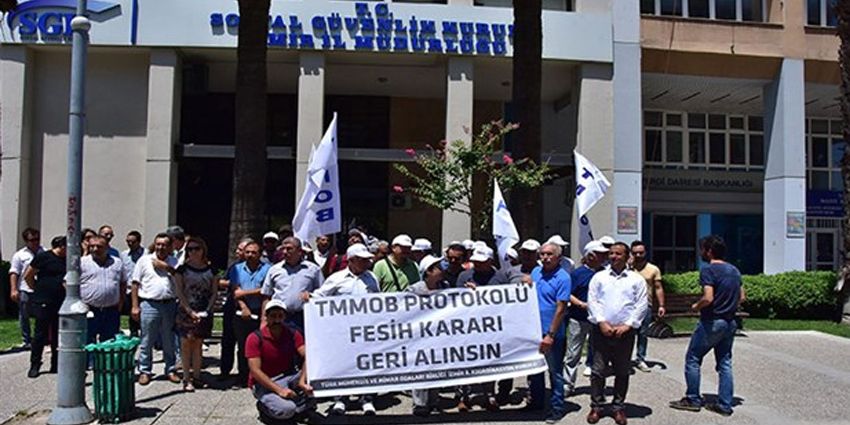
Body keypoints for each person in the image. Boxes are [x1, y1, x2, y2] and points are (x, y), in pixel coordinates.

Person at [669, 235, 745, 417]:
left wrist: (696, 305)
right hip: (730, 322)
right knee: (725, 362)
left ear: (709, 251)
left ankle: (693, 399)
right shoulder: (734, 270)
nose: (700, 252)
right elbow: (742, 297)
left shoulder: (708, 270)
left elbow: (708, 297)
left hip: (712, 321)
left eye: (702, 249)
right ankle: (725, 404)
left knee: (693, 358)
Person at [304, 243, 379, 415]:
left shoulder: (372, 278)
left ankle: (367, 399)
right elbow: (320, 296)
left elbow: (378, 300)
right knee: (343, 365)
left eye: (367, 260)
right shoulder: (336, 279)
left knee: (366, 365)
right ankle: (340, 399)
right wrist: (310, 298)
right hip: (342, 333)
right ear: (351, 260)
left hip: (366, 331)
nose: (367, 263)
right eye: (362, 260)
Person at [586, 242, 647, 425]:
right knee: (598, 371)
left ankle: (618, 407)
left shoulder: (636, 280)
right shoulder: (599, 277)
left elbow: (641, 304)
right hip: (601, 330)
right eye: (611, 253)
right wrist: (601, 322)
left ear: (627, 256)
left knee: (622, 371)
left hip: (625, 332)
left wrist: (628, 325)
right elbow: (592, 301)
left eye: (618, 253)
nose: (613, 256)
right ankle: (597, 406)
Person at [455, 244, 519, 410]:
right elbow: (454, 301)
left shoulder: (501, 277)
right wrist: (465, 292)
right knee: (466, 362)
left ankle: (489, 396)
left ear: (490, 261)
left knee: (490, 362)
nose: (477, 264)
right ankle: (463, 397)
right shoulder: (464, 276)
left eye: (481, 262)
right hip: (468, 327)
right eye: (475, 261)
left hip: (492, 329)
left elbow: (508, 301)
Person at [246, 300, 314, 423]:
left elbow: (308, 355)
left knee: (315, 378)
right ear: (266, 317)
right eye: (273, 316)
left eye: (280, 316)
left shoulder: (292, 334)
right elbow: (255, 371)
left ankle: (299, 407)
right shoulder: (254, 338)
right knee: (287, 409)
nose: (277, 320)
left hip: (288, 376)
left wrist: (302, 380)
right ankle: (264, 408)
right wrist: (280, 390)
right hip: (264, 382)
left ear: (284, 317)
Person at [528, 242, 571, 424]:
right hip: (533, 329)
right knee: (535, 369)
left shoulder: (563, 277)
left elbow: (561, 309)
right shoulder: (535, 272)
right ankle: (536, 403)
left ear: (558, 257)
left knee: (555, 371)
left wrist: (550, 335)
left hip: (552, 332)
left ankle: (557, 408)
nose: (545, 257)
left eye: (549, 254)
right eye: (542, 254)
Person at [132, 232, 180, 385]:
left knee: (169, 339)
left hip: (169, 304)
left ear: (170, 246)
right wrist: (135, 306)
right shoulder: (144, 260)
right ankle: (144, 370)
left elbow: (181, 280)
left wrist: (166, 267)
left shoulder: (175, 262)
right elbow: (135, 283)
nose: (160, 247)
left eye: (164, 245)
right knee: (147, 339)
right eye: (158, 244)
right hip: (149, 304)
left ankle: (170, 369)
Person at [564, 240, 608, 396]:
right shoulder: (577, 274)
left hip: (599, 319)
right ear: (590, 256)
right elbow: (568, 293)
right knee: (573, 353)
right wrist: (581, 304)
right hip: (579, 318)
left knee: (598, 354)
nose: (604, 257)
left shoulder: (605, 273)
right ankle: (567, 385)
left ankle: (597, 387)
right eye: (600, 254)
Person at [174, 236, 217, 391]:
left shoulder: (211, 270)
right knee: (186, 344)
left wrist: (208, 310)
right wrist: (189, 311)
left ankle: (197, 376)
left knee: (198, 344)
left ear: (203, 250)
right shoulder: (181, 270)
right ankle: (186, 378)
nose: (193, 252)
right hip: (186, 310)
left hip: (204, 310)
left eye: (196, 249)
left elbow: (214, 292)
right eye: (190, 249)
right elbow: (179, 292)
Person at [409, 254, 448, 417]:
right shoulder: (414, 289)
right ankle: (420, 404)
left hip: (438, 335)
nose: (442, 270)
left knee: (436, 367)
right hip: (420, 336)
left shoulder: (445, 286)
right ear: (428, 271)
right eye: (438, 267)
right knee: (421, 368)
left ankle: (433, 401)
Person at [23, 236, 66, 378]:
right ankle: (35, 364)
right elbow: (28, 275)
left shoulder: (68, 259)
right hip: (43, 300)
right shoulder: (44, 257)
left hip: (61, 300)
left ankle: (56, 363)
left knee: (57, 333)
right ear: (61, 246)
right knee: (40, 334)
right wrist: (36, 289)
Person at [260, 237, 324, 331]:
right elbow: (266, 296)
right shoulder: (274, 270)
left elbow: (322, 294)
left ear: (299, 251)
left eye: (289, 249)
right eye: (283, 249)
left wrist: (311, 296)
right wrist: (264, 319)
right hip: (279, 317)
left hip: (304, 317)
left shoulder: (313, 270)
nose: (285, 252)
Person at [80, 235, 125, 355]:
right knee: (88, 341)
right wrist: (80, 303)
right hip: (89, 310)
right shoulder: (82, 262)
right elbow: (68, 283)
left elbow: (123, 283)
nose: (95, 249)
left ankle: (105, 364)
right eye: (92, 246)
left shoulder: (117, 263)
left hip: (111, 310)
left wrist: (120, 302)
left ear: (107, 247)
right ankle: (89, 363)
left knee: (109, 342)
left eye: (99, 246)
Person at [630, 240, 665, 372]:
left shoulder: (653, 269)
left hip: (645, 305)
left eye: (641, 252)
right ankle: (624, 359)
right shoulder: (627, 269)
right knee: (627, 334)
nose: (638, 255)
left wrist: (661, 305)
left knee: (643, 333)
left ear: (645, 252)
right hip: (628, 306)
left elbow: (658, 287)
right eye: (635, 253)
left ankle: (640, 358)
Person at [221, 238, 253, 382]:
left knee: (244, 343)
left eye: (241, 249)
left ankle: (244, 374)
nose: (237, 252)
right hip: (231, 306)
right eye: (238, 249)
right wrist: (231, 283)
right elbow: (223, 281)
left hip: (250, 308)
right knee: (228, 340)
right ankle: (225, 371)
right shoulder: (234, 267)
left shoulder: (260, 267)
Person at [9, 227, 43, 348]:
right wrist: (13, 289)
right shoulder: (20, 255)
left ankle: (41, 338)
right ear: (26, 241)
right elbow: (14, 272)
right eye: (32, 240)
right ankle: (27, 339)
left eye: (37, 239)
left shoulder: (44, 252)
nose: (35, 242)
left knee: (42, 314)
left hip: (41, 288)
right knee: (24, 314)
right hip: (25, 288)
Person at [121, 230, 146, 337]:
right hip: (128, 289)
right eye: (128, 241)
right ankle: (133, 333)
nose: (130, 244)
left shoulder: (146, 254)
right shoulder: (124, 255)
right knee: (131, 313)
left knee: (143, 313)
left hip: (143, 289)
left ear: (139, 241)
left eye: (133, 242)